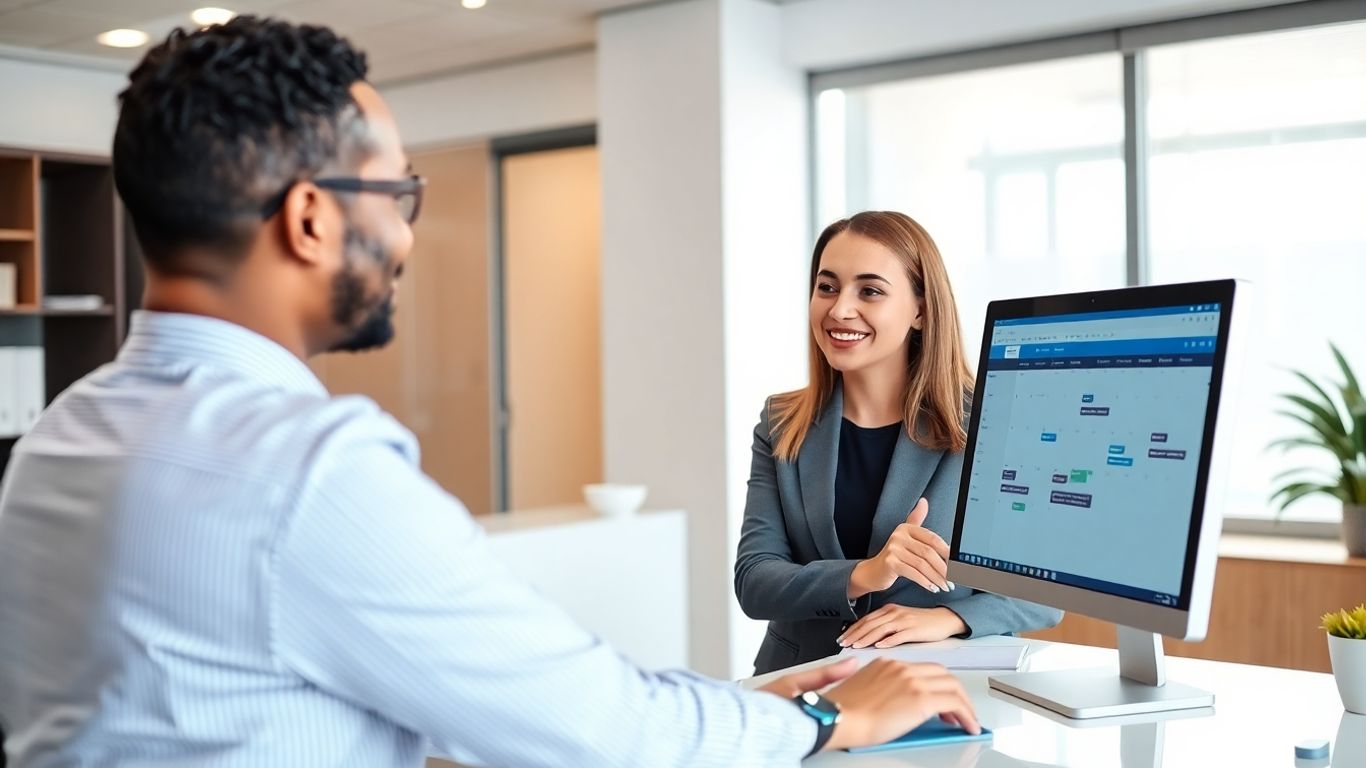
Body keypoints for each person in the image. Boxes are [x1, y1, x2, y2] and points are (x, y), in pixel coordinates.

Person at [0, 18, 982, 767]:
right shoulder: (308, 471)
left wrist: (756, 701)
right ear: (309, 219)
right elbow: (596, 727)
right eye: (396, 195)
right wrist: (822, 718)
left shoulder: (56, 443)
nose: (406, 234)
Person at [735, 211, 1062, 675]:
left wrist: (946, 618)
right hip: (802, 681)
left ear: (921, 311)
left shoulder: (993, 423)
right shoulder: (781, 422)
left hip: (939, 684)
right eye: (827, 287)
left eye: (869, 291)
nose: (839, 309)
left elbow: (1042, 593)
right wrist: (865, 573)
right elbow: (754, 579)